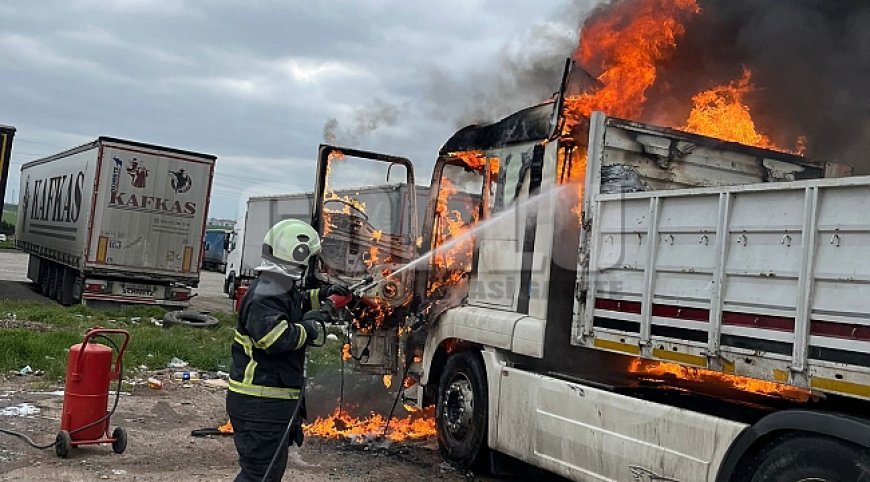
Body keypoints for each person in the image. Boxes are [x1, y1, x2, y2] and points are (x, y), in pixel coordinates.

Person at [226, 219, 349, 481]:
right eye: (311, 258)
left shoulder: (279, 286)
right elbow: (276, 338)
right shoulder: (267, 294)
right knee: (259, 475)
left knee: (267, 473)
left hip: (268, 404)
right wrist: (311, 329)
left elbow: (298, 303)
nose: (312, 265)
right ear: (298, 255)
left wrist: (325, 294)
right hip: (260, 405)